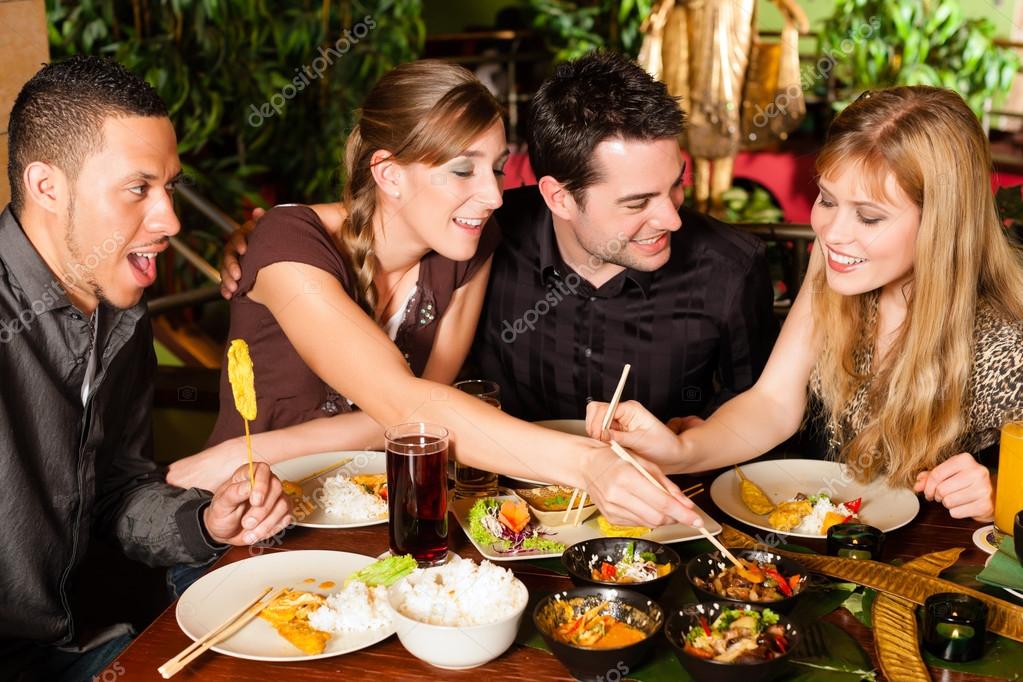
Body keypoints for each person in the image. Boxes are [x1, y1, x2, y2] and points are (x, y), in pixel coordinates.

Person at [167, 59, 700, 530]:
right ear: (388, 174)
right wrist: (588, 464)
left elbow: (419, 413)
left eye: (495, 169)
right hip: (247, 511)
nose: (492, 196)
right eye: (462, 170)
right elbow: (411, 408)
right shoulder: (289, 242)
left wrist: (262, 446)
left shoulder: (470, 245)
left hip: (376, 514)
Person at [198, 50, 775, 452]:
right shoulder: (487, 231)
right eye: (635, 202)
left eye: (677, 184)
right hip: (476, 521)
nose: (672, 216)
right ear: (558, 197)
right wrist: (262, 240)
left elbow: (756, 421)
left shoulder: (728, 269)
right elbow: (411, 402)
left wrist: (699, 442)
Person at [586, 86, 1023, 523]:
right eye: (827, 200)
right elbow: (773, 403)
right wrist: (679, 451)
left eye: (868, 217)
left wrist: (1000, 495)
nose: (833, 233)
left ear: (943, 224)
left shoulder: (1007, 343)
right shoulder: (840, 268)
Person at [0, 56, 291, 681]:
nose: (171, 221)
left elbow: (118, 493)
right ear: (47, 186)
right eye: (138, 188)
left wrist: (208, 521)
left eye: (170, 187)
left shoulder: (122, 313)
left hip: (95, 637)